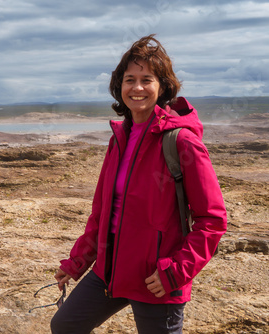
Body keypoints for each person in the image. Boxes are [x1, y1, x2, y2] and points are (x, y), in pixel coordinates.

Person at [50, 35, 227, 334]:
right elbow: (102, 213)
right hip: (110, 271)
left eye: (147, 79)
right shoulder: (118, 139)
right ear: (120, 87)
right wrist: (77, 262)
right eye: (130, 79)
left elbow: (212, 220)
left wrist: (176, 272)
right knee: (65, 325)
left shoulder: (181, 142)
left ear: (163, 86)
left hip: (157, 280)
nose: (138, 88)